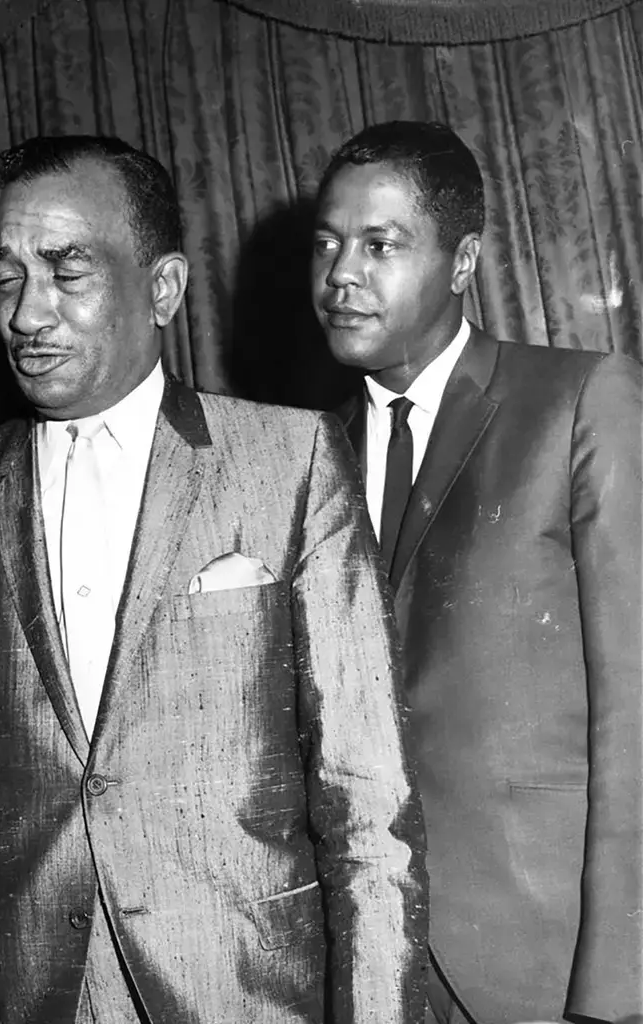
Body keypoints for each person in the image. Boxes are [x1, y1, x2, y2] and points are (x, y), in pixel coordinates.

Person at [0, 134, 428, 1024]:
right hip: (19, 992)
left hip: (245, 992)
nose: (27, 313)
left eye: (67, 271)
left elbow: (370, 804)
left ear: (162, 288)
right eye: (7, 276)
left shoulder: (291, 460)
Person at [311, 120, 642, 1024]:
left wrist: (617, 993)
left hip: (543, 965)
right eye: (329, 243)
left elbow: (637, 709)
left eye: (380, 245)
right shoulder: (301, 458)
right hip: (362, 968)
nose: (342, 274)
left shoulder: (580, 400)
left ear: (462, 263)